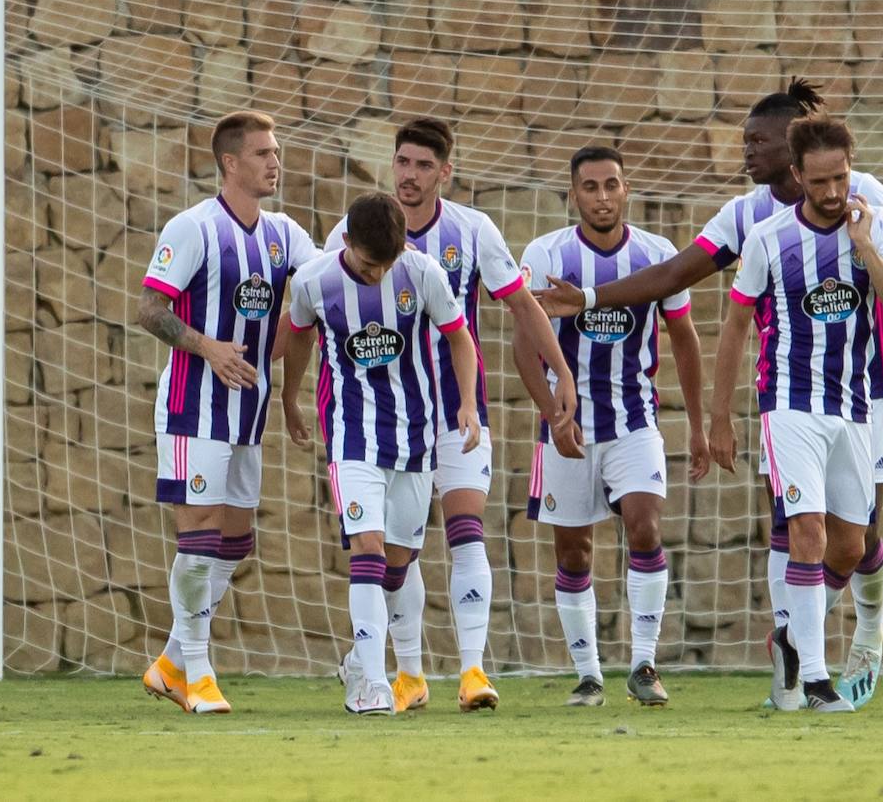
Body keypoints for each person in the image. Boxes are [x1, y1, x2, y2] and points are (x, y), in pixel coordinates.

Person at [536, 80, 883, 708]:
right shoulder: (749, 217)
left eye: (757, 142)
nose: (746, 153)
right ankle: (793, 671)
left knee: (857, 538)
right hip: (787, 397)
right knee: (793, 526)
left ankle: (865, 630)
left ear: (794, 144)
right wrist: (594, 298)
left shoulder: (863, 194)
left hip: (864, 392)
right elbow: (674, 275)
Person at [324, 117, 578, 713]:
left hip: (459, 415)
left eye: (422, 165)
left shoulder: (473, 230)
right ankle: (406, 673)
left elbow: (521, 305)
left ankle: (472, 672)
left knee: (467, 531)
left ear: (445, 170)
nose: (409, 176)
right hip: (384, 423)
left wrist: (561, 371)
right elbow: (320, 304)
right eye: (402, 163)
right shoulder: (352, 230)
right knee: (395, 554)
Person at [709, 113, 883, 712]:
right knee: (807, 531)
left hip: (853, 409)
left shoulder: (868, 229)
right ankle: (817, 681)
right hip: (788, 405)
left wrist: (865, 247)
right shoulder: (769, 239)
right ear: (797, 176)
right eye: (820, 181)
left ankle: (789, 639)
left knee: (850, 546)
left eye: (841, 179)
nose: (832, 193)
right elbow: (734, 327)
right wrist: (720, 417)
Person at [138, 111, 319, 714]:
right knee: (198, 537)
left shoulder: (286, 234)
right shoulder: (192, 229)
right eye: (264, 153)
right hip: (194, 408)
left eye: (277, 151)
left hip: (249, 413)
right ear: (230, 163)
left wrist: (291, 395)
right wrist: (206, 346)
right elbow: (149, 310)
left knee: (236, 541)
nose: (275, 162)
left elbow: (319, 292)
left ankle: (169, 661)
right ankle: (198, 672)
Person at [515, 146, 708, 707]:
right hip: (567, 428)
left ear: (627, 191)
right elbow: (523, 347)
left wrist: (696, 425)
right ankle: (588, 675)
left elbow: (685, 339)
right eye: (591, 187)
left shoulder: (657, 254)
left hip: (634, 423)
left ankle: (644, 665)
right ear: (573, 194)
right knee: (574, 554)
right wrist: (553, 415)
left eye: (612, 185)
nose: (602, 196)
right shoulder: (546, 253)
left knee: (645, 529)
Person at [281, 193, 480, 715]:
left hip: (413, 438)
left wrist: (466, 405)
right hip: (350, 435)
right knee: (365, 551)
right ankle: (371, 683)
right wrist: (289, 397)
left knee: (396, 567)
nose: (378, 275)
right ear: (345, 242)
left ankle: (357, 659)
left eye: (387, 264)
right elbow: (300, 337)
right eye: (370, 265)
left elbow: (460, 339)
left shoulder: (422, 273)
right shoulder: (314, 281)